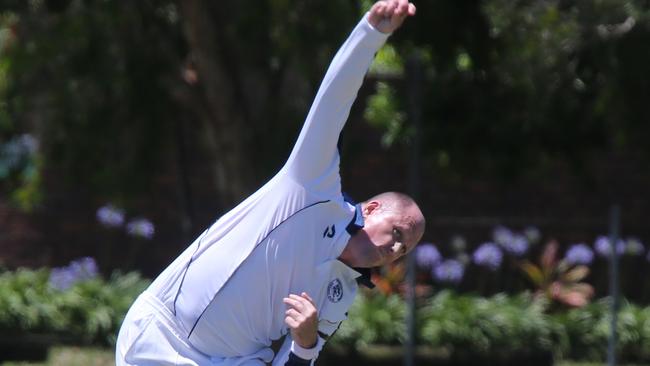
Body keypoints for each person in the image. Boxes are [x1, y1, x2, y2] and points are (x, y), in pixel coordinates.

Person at [115, 1, 424, 365]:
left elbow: (296, 362)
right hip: (161, 333)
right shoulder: (313, 187)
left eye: (404, 250)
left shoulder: (340, 296)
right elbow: (333, 104)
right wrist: (371, 34)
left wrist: (306, 341)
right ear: (372, 209)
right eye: (398, 234)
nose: (396, 250)